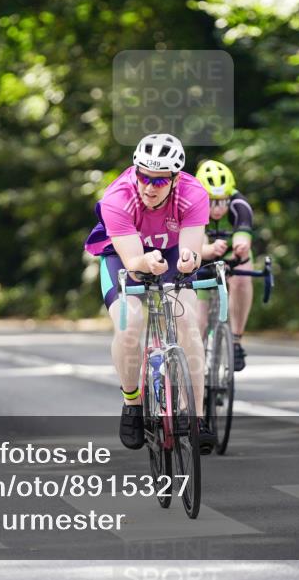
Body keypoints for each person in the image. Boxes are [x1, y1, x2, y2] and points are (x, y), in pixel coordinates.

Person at [85, 133, 217, 454]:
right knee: (129, 323)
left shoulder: (193, 194)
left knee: (187, 322)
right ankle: (132, 403)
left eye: (159, 181)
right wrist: (145, 262)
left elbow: (192, 250)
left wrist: (189, 260)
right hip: (123, 255)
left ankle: (196, 417)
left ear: (175, 179)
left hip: (170, 251)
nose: (149, 187)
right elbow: (133, 264)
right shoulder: (117, 198)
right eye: (143, 177)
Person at [195, 160, 255, 371]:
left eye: (223, 201)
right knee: (200, 320)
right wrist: (208, 249)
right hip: (201, 255)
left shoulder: (240, 204)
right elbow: (196, 243)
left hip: (231, 254)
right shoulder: (192, 204)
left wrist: (241, 246)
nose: (218, 208)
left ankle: (236, 340)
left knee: (243, 278)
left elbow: (243, 233)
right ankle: (195, 363)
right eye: (211, 202)